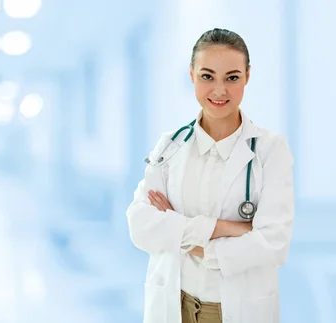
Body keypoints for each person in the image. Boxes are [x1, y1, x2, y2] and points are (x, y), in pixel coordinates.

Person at [126, 28, 295, 323]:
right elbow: (140, 225)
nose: (219, 90)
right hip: (174, 306)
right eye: (207, 76)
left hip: (237, 310)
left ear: (247, 76)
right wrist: (226, 227)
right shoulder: (170, 145)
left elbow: (272, 244)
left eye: (232, 77)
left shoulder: (270, 149)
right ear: (191, 74)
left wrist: (185, 237)